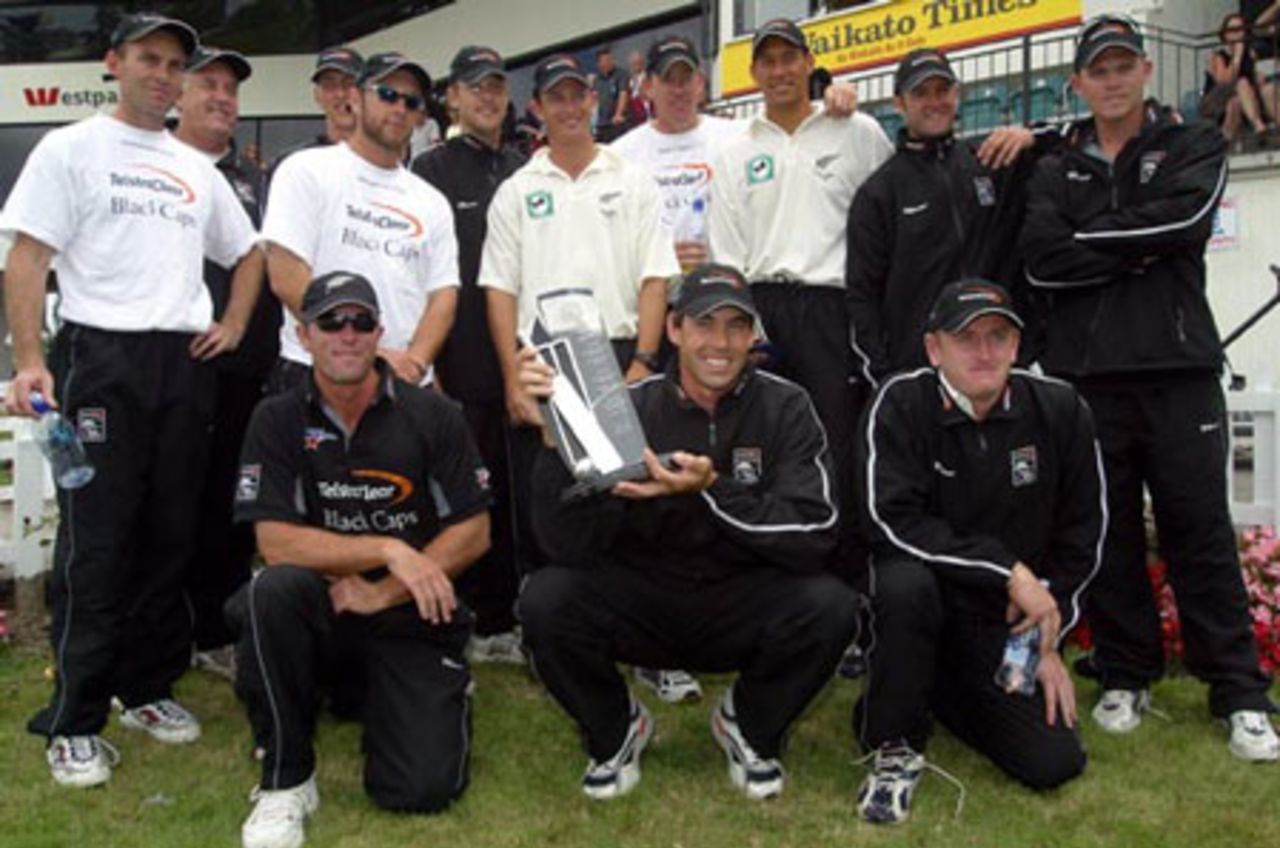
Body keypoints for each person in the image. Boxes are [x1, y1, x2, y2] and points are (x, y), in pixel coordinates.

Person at [1, 13, 260, 787]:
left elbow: (247, 253)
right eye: (149, 59)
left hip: (181, 364)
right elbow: (28, 257)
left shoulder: (194, 168)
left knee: (171, 533)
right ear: (115, 63)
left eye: (175, 64)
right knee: (100, 540)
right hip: (103, 360)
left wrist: (236, 323)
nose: (163, 74)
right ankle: (74, 717)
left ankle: (145, 687)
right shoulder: (71, 148)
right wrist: (28, 361)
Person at [1020, 13, 1279, 762]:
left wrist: (1091, 242)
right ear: (1078, 82)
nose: (1112, 79)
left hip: (1178, 372)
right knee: (1111, 537)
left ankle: (1239, 691)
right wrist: (1139, 244)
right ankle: (1125, 675)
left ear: (1143, 71)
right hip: (1088, 379)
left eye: (1123, 65)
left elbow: (1188, 217)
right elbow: (1041, 262)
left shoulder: (1189, 142)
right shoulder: (1054, 167)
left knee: (1199, 529)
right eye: (1097, 69)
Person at [516, 263, 857, 801]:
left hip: (740, 599)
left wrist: (710, 488)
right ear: (674, 329)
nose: (720, 342)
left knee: (832, 606)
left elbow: (816, 528)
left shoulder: (787, 406)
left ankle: (748, 724)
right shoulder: (629, 405)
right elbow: (563, 543)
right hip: (645, 597)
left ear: (753, 336)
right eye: (704, 323)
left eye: (736, 326)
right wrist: (558, 444)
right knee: (545, 598)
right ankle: (615, 729)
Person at [226, 271, 491, 848]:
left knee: (421, 790)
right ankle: (286, 779)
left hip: (408, 617)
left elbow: (474, 531)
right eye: (330, 322)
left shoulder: (435, 415)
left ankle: (410, 697)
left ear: (379, 332)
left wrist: (385, 588)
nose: (347, 335)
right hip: (321, 607)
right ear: (303, 335)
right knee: (268, 592)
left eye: (361, 321)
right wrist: (388, 549)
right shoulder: (275, 418)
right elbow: (275, 542)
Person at [854, 280, 1101, 824]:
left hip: (1010, 625)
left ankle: (938, 690)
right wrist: (1008, 571)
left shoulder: (1060, 408)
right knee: (902, 583)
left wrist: (1049, 638)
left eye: (998, 337)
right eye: (966, 338)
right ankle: (894, 738)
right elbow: (889, 521)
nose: (984, 352)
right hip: (927, 606)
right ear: (934, 348)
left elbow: (1085, 535)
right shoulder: (900, 402)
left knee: (1052, 761)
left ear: (1017, 347)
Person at [708, 17, 893, 590]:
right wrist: (746, 330)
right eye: (769, 61)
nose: (780, 70)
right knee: (754, 448)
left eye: (791, 58)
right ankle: (761, 584)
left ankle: (843, 589)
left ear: (810, 63)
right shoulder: (737, 151)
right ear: (755, 72)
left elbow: (886, 218)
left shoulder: (855, 130)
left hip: (831, 309)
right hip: (760, 310)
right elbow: (726, 250)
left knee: (835, 448)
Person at [411, 45, 527, 664]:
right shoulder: (430, 170)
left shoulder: (523, 166)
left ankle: (506, 614)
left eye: (497, 85)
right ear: (451, 97)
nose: (487, 96)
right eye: (474, 87)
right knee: (461, 491)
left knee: (515, 489)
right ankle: (457, 613)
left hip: (519, 354)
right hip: (457, 359)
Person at [846, 48, 1053, 385]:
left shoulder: (992, 160)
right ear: (899, 103)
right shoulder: (879, 192)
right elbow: (861, 296)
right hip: (921, 373)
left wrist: (1032, 135)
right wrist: (884, 376)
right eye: (920, 93)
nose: (934, 102)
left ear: (957, 94)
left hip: (999, 365)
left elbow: (1072, 147)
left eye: (942, 90)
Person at [262, 51, 459, 393]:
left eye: (411, 102)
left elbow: (443, 295)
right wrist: (372, 353)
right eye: (386, 94)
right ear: (355, 97)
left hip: (405, 382)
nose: (399, 108)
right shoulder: (305, 170)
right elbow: (286, 274)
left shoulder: (432, 201)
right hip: (318, 375)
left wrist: (415, 363)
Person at [173, 44, 275, 680]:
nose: (221, 97)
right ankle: (164, 626)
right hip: (175, 366)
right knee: (167, 502)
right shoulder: (156, 166)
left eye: (231, 90)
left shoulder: (257, 181)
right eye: (206, 84)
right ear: (178, 95)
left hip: (247, 376)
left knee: (230, 505)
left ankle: (216, 627)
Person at [266, 45, 363, 178]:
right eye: (330, 85)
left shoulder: (390, 159)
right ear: (317, 95)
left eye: (349, 83)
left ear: (366, 93)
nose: (340, 94)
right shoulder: (290, 165)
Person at [1200, 12, 1276, 144]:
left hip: (1243, 100)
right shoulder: (1217, 56)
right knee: (1241, 84)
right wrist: (1237, 56)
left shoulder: (1250, 54)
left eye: (1240, 30)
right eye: (1232, 30)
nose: (1236, 34)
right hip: (1217, 100)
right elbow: (1224, 82)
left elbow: (1255, 76)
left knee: (1265, 90)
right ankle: (1258, 125)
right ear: (1225, 34)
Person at [592, 45, 630, 142]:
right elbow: (594, 101)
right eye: (606, 60)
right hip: (602, 124)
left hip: (616, 123)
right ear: (599, 63)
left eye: (611, 59)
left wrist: (618, 114)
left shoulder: (621, 74)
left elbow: (623, 94)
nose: (610, 62)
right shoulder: (597, 80)